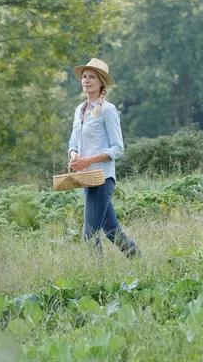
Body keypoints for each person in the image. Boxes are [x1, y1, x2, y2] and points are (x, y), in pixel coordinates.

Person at [68, 58, 140, 258]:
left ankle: (97, 279)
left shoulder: (108, 110)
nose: (86, 80)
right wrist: (74, 156)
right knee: (112, 232)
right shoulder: (79, 110)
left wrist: (88, 161)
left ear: (101, 83)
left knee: (89, 235)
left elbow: (118, 148)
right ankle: (139, 263)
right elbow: (73, 143)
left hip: (103, 179)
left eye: (92, 77)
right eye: (84, 76)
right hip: (86, 180)